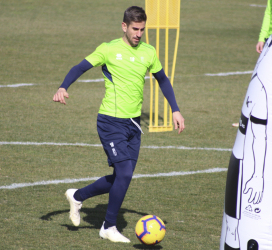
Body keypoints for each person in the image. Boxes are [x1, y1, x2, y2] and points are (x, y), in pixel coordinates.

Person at [53, 6, 185, 243]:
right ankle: (108, 227)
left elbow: (163, 79)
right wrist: (64, 86)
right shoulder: (108, 49)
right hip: (110, 121)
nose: (138, 34)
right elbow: (79, 67)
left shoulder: (148, 51)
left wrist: (175, 109)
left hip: (133, 124)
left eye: (142, 29)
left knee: (122, 177)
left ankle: (77, 196)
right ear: (124, 26)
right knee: (124, 173)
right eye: (135, 29)